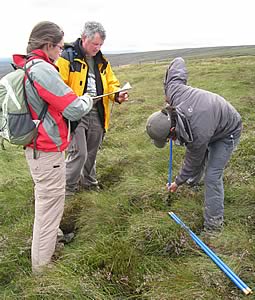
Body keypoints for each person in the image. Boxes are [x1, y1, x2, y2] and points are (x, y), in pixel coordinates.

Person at [14, 21, 94, 273]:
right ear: (47, 45)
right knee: (48, 213)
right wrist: (87, 100)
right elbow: (72, 107)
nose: (61, 51)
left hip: (39, 150)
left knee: (46, 208)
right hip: (47, 153)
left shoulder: (28, 65)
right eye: (59, 46)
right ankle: (42, 271)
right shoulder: (42, 69)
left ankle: (45, 255)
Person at [146, 57, 242, 233]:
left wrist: (177, 182)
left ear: (172, 128)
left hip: (228, 130)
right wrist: (167, 92)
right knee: (200, 154)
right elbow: (178, 63)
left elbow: (192, 161)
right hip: (211, 123)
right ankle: (193, 183)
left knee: (212, 175)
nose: (168, 142)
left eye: (167, 139)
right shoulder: (173, 92)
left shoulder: (197, 134)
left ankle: (213, 225)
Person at [56, 21, 128, 195]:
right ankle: (68, 190)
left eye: (100, 44)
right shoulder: (66, 57)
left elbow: (111, 83)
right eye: (95, 44)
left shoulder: (102, 61)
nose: (97, 48)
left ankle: (89, 184)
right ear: (83, 39)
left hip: (97, 112)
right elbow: (58, 85)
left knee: (92, 152)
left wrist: (117, 94)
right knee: (79, 153)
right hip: (75, 113)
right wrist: (74, 104)